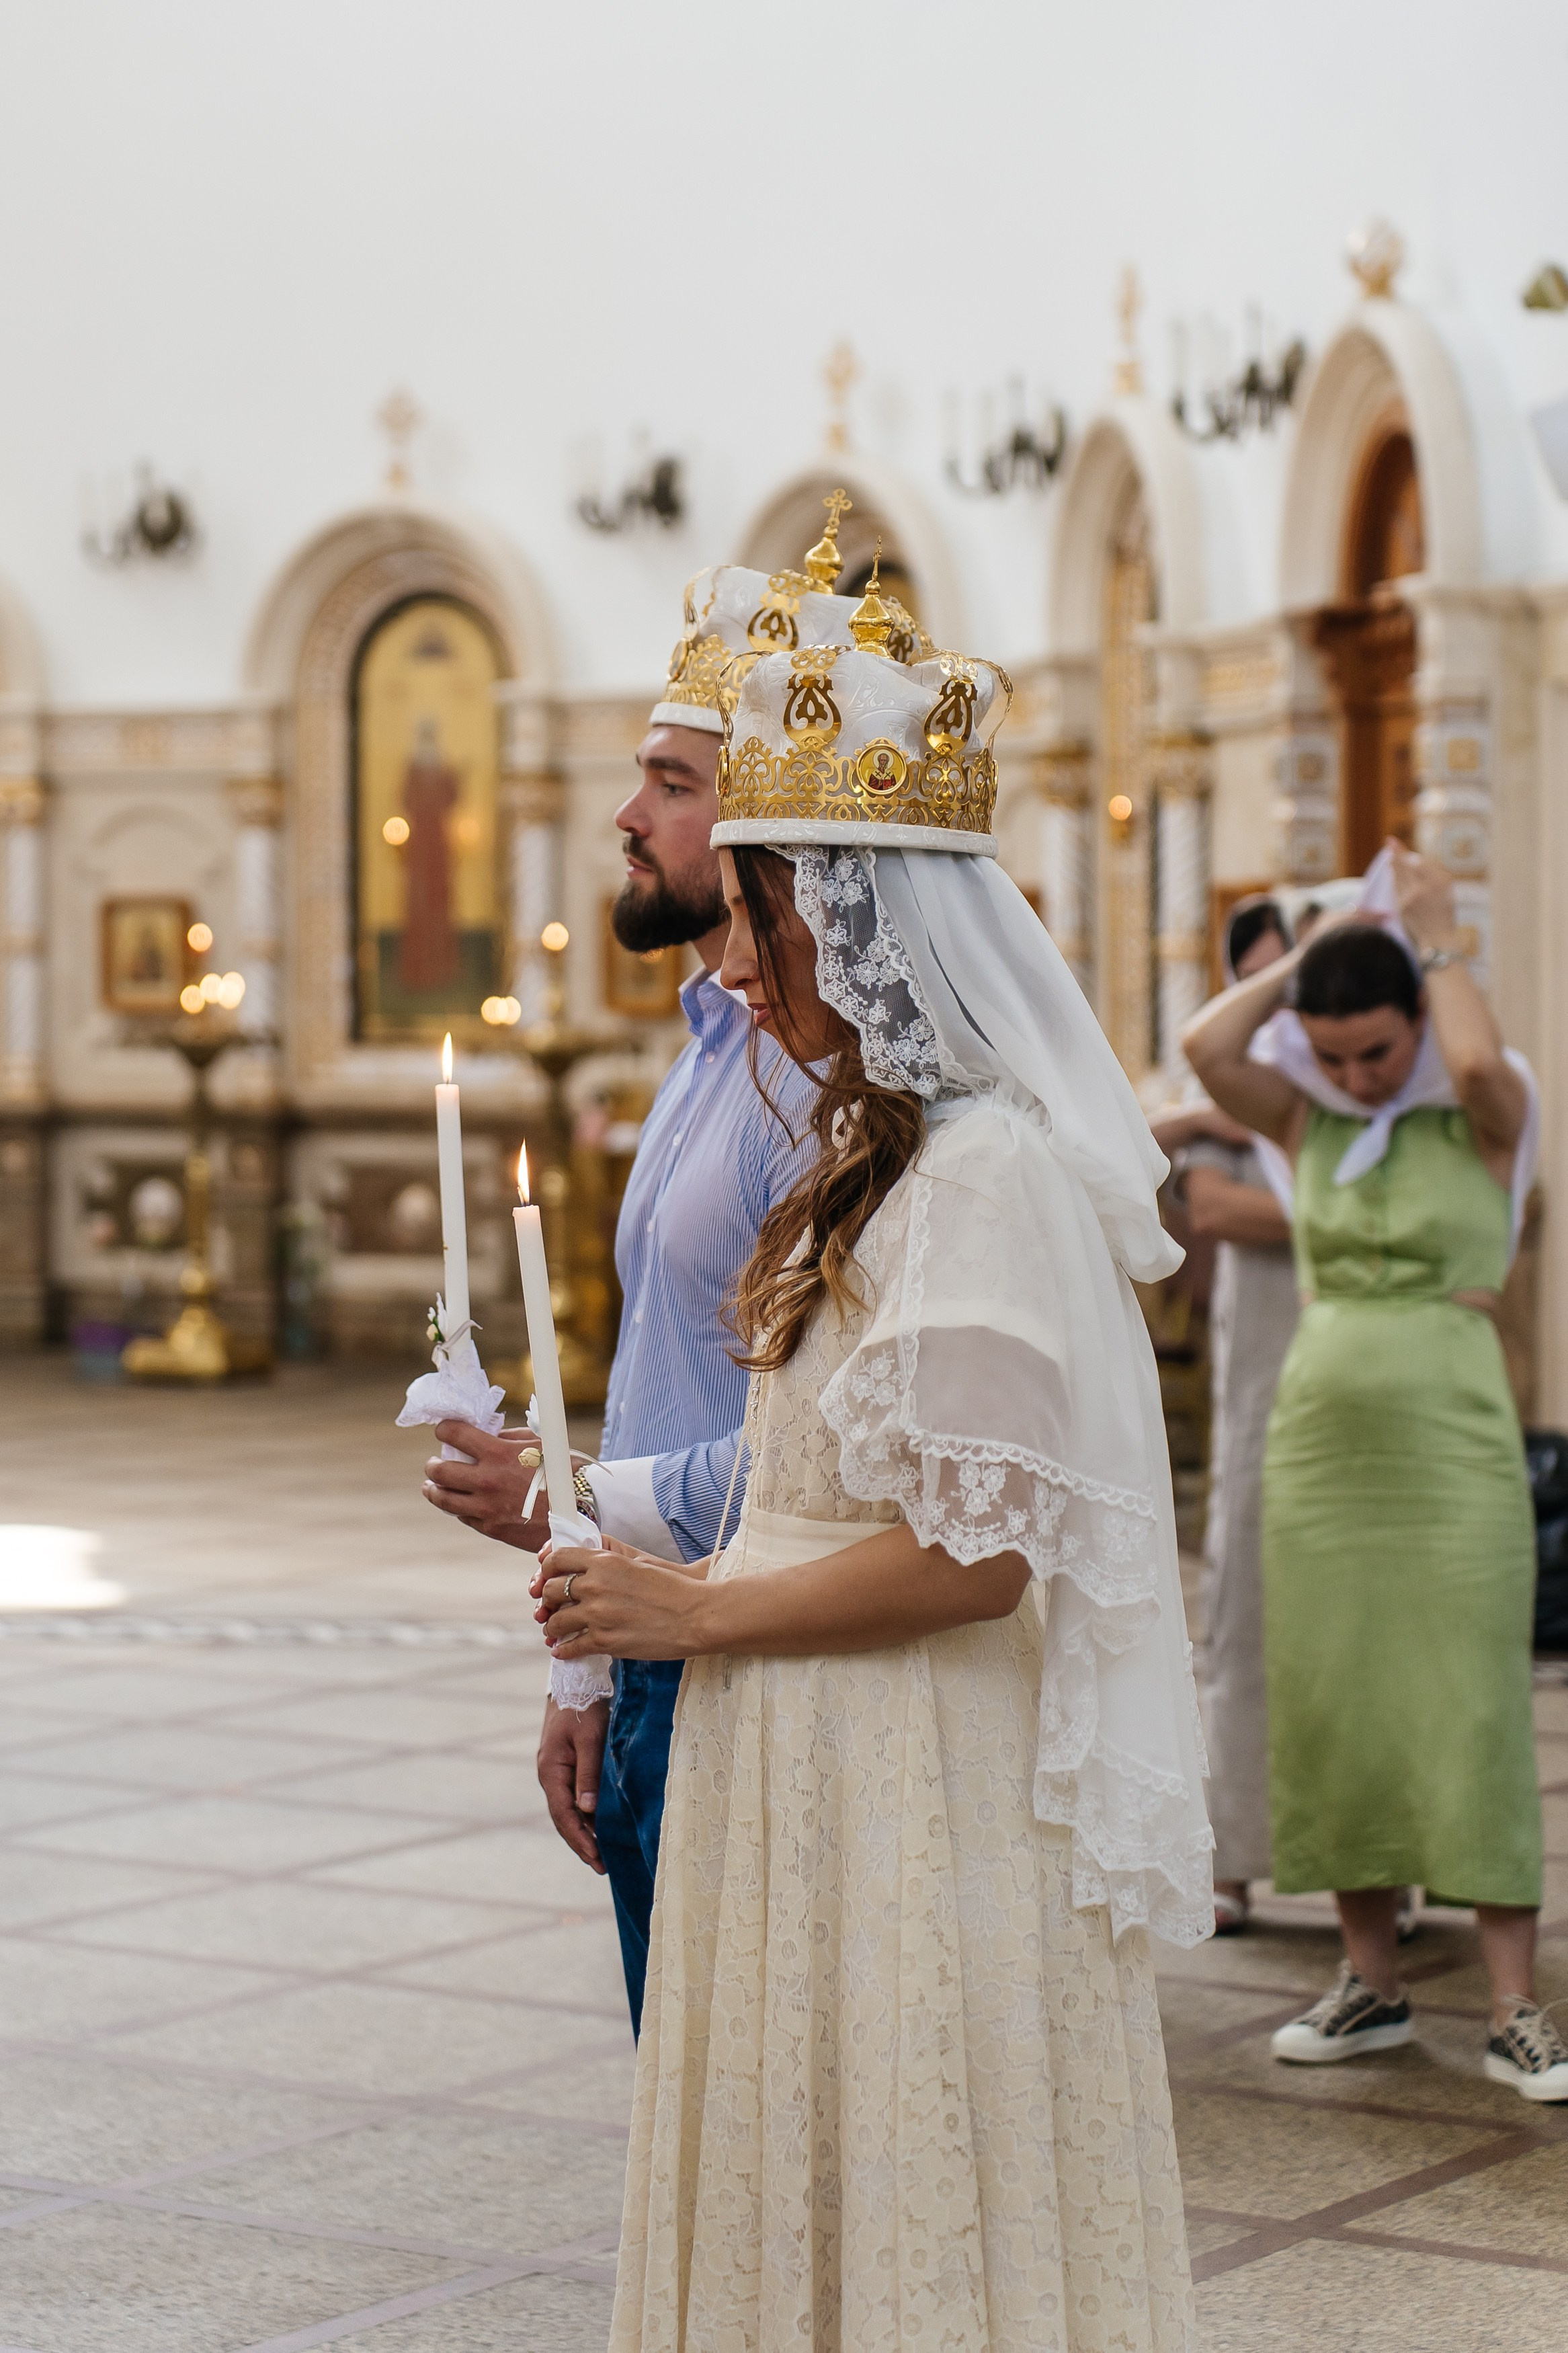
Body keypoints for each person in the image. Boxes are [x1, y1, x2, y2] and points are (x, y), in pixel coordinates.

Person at [540, 603, 1209, 2347]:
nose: (739, 964)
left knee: (909, 2180)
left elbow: (974, 1555)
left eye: (760, 917)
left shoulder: (981, 1173)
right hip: (804, 1724)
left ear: (849, 913)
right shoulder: (874, 1151)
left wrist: (689, 1602)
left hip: (907, 1742)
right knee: (802, 2167)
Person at [421, 503, 926, 2029]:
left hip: (756, 1640)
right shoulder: (718, 1037)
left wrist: (570, 1507)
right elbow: (663, 1375)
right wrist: (584, 1661)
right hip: (650, 1632)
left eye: (672, 782)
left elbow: (844, 1447)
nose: (627, 818)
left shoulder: (832, 1087)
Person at [1184, 844, 1566, 2102]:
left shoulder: (1487, 1106)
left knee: (1468, 1697)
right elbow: (1204, 1045)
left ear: (1416, 1018)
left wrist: (1429, 935)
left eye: (1374, 1052)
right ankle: (1371, 1984)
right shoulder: (1303, 1117)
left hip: (1452, 1439)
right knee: (1333, 1695)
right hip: (1321, 1449)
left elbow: (1461, 1056)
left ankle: (1515, 2004)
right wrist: (1318, 948)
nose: (1356, 1076)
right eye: (1333, 1054)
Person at [1176, 898, 1297, 1934]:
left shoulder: (1345, 1085)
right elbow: (1212, 1208)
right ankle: (1233, 1853)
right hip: (1263, 1360)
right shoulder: (1236, 1100)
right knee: (1245, 1601)